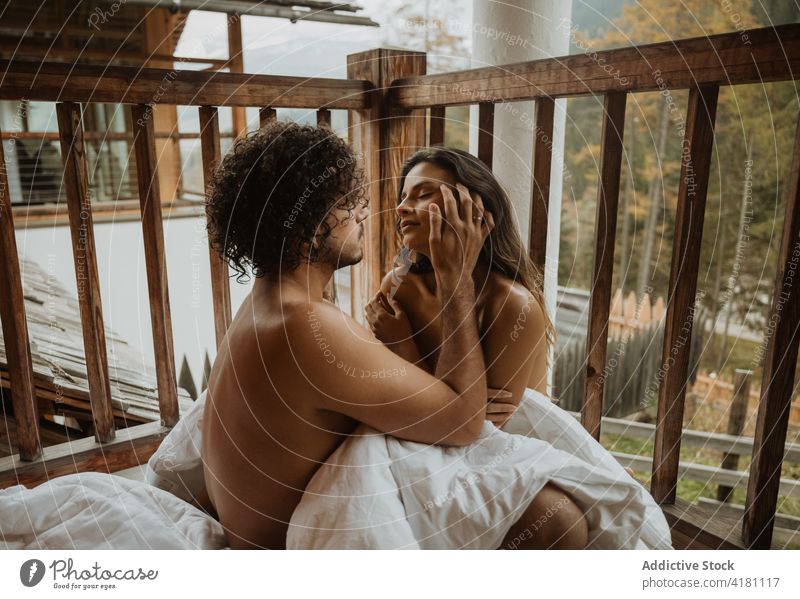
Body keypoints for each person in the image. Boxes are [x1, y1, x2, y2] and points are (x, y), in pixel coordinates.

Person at [200, 122, 590, 550]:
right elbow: (463, 423)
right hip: (283, 552)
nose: (367, 213)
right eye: (349, 204)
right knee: (559, 521)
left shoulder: (270, 303)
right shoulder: (305, 326)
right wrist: (456, 277)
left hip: (266, 529)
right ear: (310, 225)